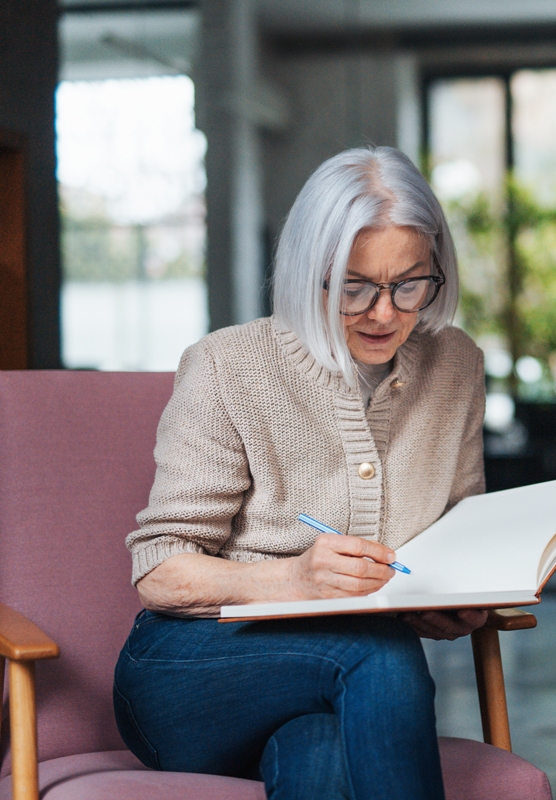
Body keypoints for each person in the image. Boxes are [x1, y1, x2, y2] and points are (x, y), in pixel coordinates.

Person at [113, 146, 487, 800]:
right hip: (187, 674)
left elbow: (459, 528)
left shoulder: (454, 365)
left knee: (319, 759)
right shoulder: (228, 366)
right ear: (307, 272)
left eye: (409, 283)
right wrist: (293, 577)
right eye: (354, 286)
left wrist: (457, 600)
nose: (384, 313)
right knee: (376, 652)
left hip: (337, 691)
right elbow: (160, 567)